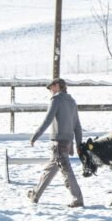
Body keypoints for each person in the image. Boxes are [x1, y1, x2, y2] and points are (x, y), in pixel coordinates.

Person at [28, 78, 84, 208]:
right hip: (67, 142)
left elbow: (47, 120)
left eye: (51, 87)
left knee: (66, 171)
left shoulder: (56, 100)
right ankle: (35, 195)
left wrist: (35, 135)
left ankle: (78, 199)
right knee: (50, 169)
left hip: (58, 142)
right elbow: (77, 126)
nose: (50, 90)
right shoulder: (72, 102)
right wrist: (78, 144)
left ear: (58, 86)